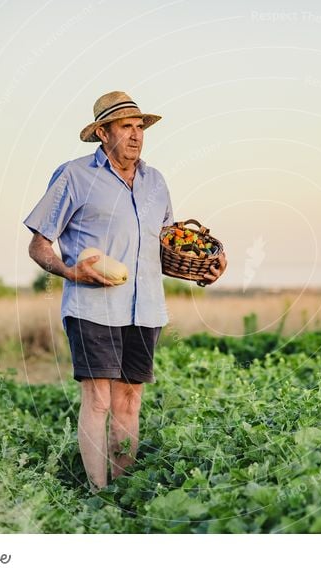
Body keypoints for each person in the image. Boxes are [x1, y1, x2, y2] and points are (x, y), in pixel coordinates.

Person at [23, 91, 227, 493]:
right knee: (98, 400)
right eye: (125, 127)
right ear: (102, 132)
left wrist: (203, 271)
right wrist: (69, 271)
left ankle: (123, 489)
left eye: (140, 127)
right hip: (92, 306)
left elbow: (166, 249)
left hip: (145, 309)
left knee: (130, 401)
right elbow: (39, 244)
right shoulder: (74, 176)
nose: (136, 136)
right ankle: (99, 496)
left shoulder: (156, 182)